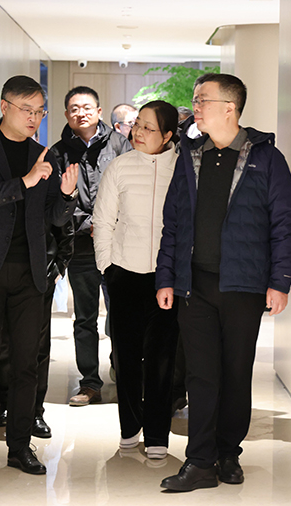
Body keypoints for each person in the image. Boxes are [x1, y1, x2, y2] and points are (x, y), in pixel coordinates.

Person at [155, 73, 291, 491]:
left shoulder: (266, 158)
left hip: (244, 286)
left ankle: (228, 453)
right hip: (194, 284)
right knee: (201, 375)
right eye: (196, 100)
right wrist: (166, 277)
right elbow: (172, 221)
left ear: (230, 108)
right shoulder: (190, 156)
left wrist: (280, 281)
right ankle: (200, 461)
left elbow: (284, 223)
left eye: (203, 100)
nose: (195, 107)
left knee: (236, 372)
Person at [0, 75, 79, 475]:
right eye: (27, 110)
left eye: (40, 111)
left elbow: (53, 217)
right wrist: (24, 182)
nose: (34, 118)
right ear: (4, 107)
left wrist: (67, 196)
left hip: (31, 273)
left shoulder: (45, 154)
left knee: (26, 363)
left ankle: (20, 446)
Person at [93, 100, 180, 460]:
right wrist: (107, 267)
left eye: (148, 127)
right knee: (126, 357)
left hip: (167, 277)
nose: (138, 132)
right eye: (137, 124)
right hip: (125, 274)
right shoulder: (120, 166)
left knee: (162, 360)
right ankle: (129, 428)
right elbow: (103, 221)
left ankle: (158, 435)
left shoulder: (183, 168)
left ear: (168, 135)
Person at [50, 86, 132, 406]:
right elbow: (57, 201)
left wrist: (110, 223)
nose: (80, 113)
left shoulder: (120, 144)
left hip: (119, 247)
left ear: (99, 111)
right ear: (66, 114)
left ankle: (123, 372)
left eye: (87, 107)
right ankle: (89, 384)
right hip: (82, 247)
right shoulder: (58, 153)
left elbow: (132, 189)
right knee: (84, 318)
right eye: (74, 108)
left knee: (121, 315)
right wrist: (90, 225)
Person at [0, 220, 74, 440]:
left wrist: (59, 267)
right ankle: (5, 403)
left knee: (38, 344)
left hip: (40, 272)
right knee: (3, 342)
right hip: (2, 269)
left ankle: (35, 410)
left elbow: (64, 225)